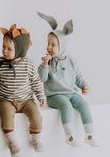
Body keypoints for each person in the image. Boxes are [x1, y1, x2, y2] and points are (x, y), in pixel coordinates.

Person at [37, 12, 98, 147]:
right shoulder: (48, 62)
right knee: (66, 106)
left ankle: (89, 134)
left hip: (71, 93)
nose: (49, 47)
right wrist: (45, 66)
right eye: (48, 44)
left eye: (53, 45)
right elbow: (41, 78)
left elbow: (77, 76)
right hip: (54, 95)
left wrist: (84, 85)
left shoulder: (72, 61)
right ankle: (69, 136)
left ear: (63, 46)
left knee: (83, 104)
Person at [0, 23, 46, 157]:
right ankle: (12, 143)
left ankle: (36, 140)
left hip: (26, 100)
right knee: (6, 117)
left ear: (20, 50)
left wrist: (41, 96)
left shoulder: (29, 64)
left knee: (36, 116)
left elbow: (36, 81)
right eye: (3, 47)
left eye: (9, 48)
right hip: (6, 99)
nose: (4, 51)